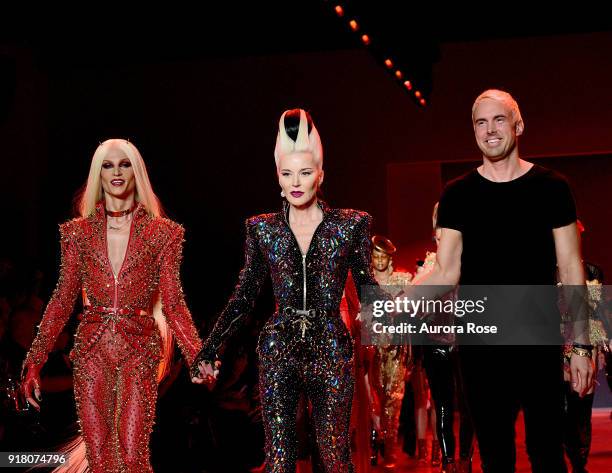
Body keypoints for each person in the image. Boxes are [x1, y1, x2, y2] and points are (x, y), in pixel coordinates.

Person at [412, 89, 594, 472]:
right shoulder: (457, 195)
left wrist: (581, 346)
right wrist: (393, 304)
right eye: (481, 122)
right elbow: (446, 271)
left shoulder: (553, 187)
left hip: (539, 339)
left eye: (499, 119)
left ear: (518, 125)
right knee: (495, 456)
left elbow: (571, 269)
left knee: (547, 452)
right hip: (481, 342)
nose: (490, 130)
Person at [192, 109, 383, 472]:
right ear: (278, 178)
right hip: (279, 348)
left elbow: (366, 284)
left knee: (334, 455)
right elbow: (244, 296)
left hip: (330, 346)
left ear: (320, 176)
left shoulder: (352, 224)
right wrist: (210, 348)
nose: (296, 182)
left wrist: (383, 311)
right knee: (279, 458)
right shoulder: (262, 229)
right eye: (287, 173)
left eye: (306, 173)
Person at [21, 139, 203, 472]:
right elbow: (63, 298)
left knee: (133, 455)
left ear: (137, 173)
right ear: (98, 174)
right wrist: (35, 359)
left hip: (139, 349)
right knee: (100, 455)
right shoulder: (77, 234)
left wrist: (198, 354)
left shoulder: (164, 234)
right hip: (92, 350)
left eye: (124, 164)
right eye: (107, 165)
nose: (116, 172)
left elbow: (174, 301)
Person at [369, 235, 412, 468]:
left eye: (383, 256)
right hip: (371, 349)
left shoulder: (401, 280)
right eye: (375, 256)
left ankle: (390, 447)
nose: (379, 260)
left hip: (395, 348)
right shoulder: (365, 282)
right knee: (374, 398)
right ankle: (375, 440)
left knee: (394, 398)